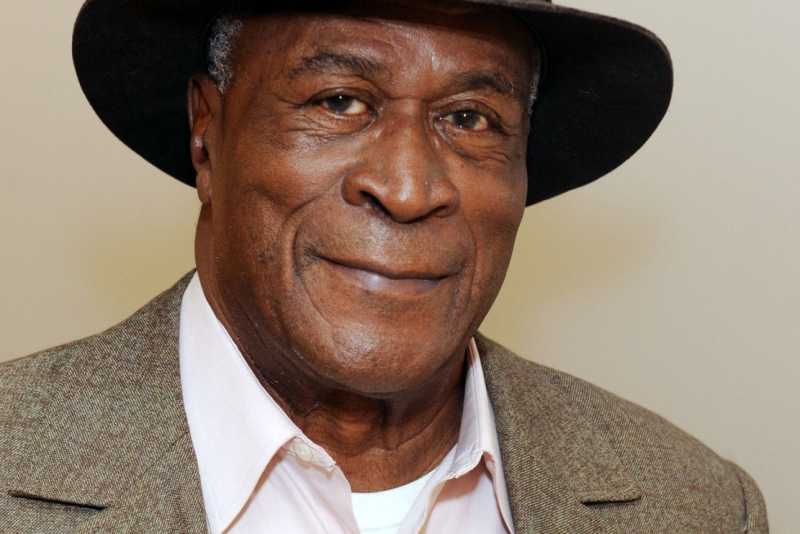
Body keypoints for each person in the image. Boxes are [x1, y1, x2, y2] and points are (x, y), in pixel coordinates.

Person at [0, 0, 768, 532]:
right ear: (207, 133)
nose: (406, 189)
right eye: (339, 101)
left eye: (469, 118)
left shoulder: (697, 508)